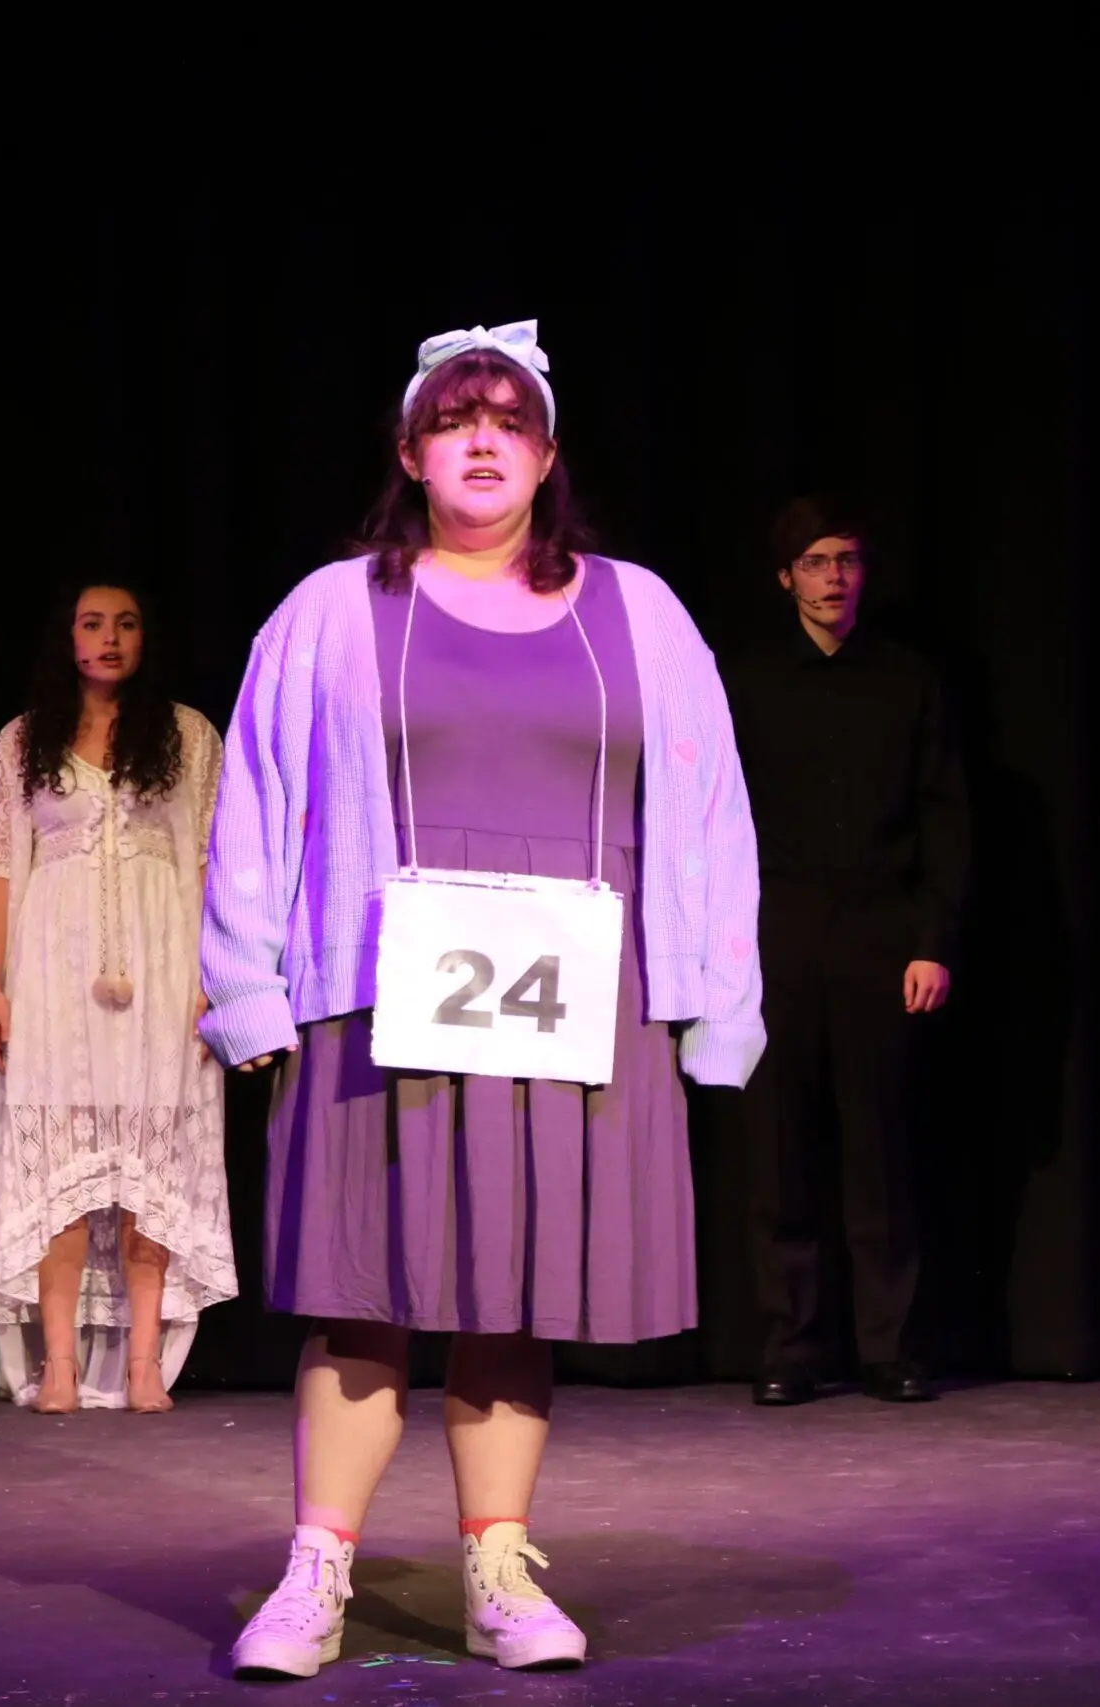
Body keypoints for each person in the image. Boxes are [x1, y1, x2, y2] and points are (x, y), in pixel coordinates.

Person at [201, 321, 763, 1679]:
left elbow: (704, 807)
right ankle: (316, 1565)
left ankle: (498, 1568)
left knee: (511, 1295)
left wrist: (717, 1003)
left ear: (547, 452)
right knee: (362, 1293)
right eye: (456, 416)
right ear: (410, 451)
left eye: (509, 417)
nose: (483, 437)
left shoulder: (640, 609)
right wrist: (247, 987)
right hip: (380, 999)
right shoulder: (331, 609)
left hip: (572, 1002)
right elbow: (258, 802)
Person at [0, 581, 235, 1415]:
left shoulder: (188, 736)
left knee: (156, 1160)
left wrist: (212, 978)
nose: (110, 637)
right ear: (67, 638)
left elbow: (213, 865)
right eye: (93, 623)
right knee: (61, 1171)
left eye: (126, 623)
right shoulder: (23, 742)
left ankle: (147, 1362)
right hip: (53, 978)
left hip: (163, 972)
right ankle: (56, 1366)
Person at [728, 499, 969, 1407]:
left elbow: (947, 819)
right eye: (817, 561)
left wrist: (932, 941)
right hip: (774, 938)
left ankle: (890, 1347)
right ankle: (789, 1345)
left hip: (880, 937)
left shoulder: (908, 680)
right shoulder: (743, 681)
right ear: (785, 576)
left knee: (882, 1153)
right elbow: (708, 821)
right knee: (780, 1154)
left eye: (850, 560)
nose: (835, 577)